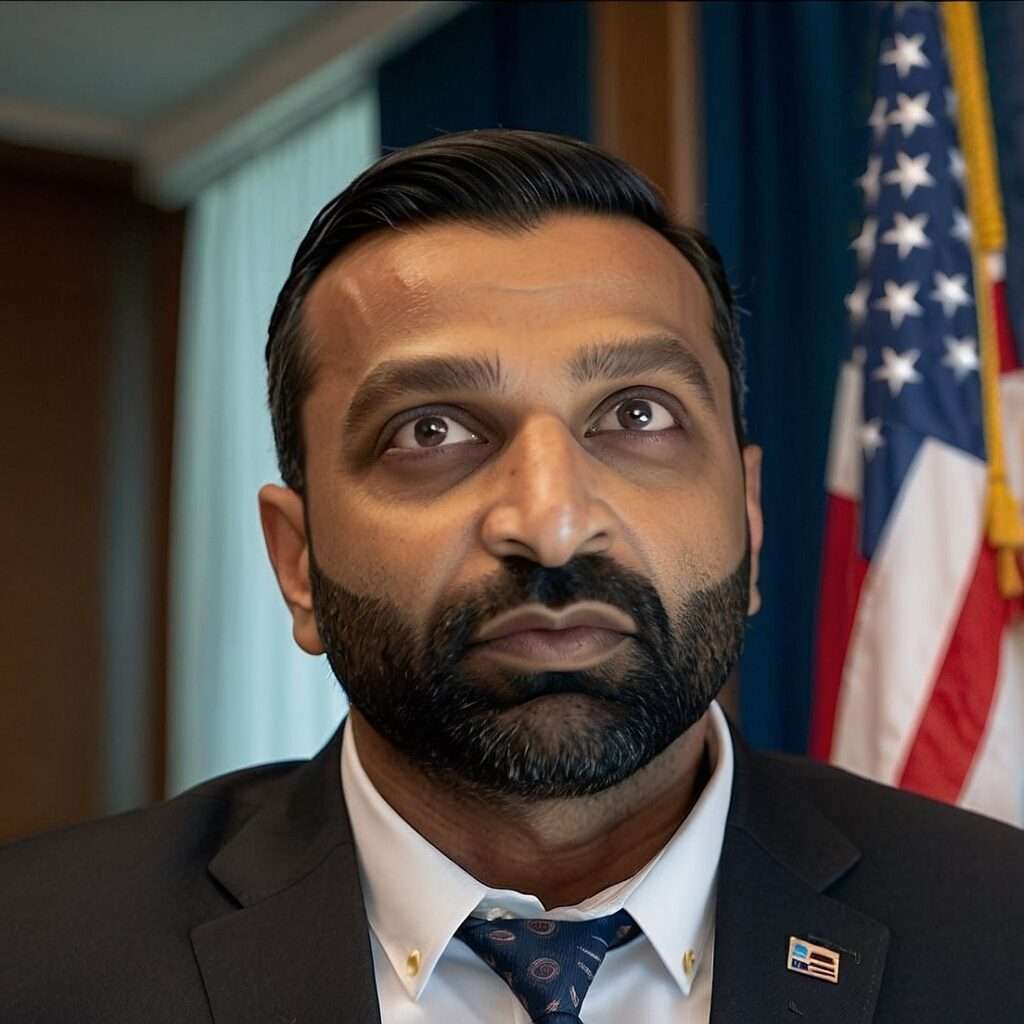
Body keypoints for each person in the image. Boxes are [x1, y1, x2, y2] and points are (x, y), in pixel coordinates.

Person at [3, 129, 1023, 1024]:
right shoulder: (35, 959)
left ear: (748, 515)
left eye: (636, 415)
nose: (551, 522)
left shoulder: (999, 936)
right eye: (429, 430)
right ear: (296, 561)